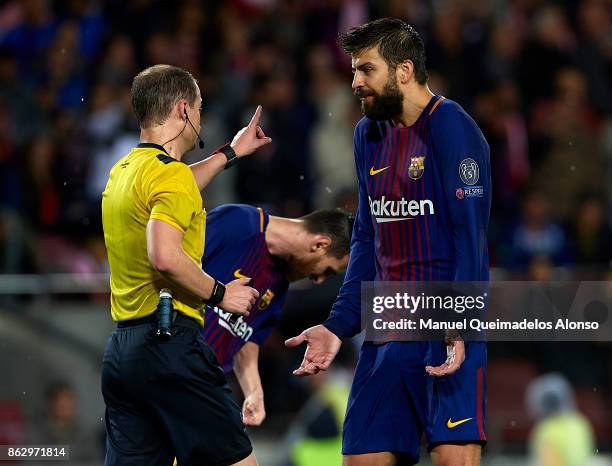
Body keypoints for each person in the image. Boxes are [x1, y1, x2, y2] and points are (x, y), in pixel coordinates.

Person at [286, 18, 491, 466]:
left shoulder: (453, 127)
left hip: (444, 327)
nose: (355, 82)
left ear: (403, 70)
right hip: (386, 333)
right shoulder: (368, 135)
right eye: (354, 71)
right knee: (361, 459)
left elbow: (469, 238)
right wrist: (338, 325)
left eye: (366, 70)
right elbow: (365, 238)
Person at [101, 64, 271, 466]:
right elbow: (164, 255)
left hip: (123, 354)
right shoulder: (170, 176)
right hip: (171, 344)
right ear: (183, 109)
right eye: (199, 107)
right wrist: (221, 293)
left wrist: (230, 152)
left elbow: (177, 187)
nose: (200, 116)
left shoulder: (123, 171)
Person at [201, 204, 352, 426]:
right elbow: (173, 263)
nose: (319, 280)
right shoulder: (240, 223)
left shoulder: (279, 285)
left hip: (205, 385)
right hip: (166, 362)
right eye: (328, 270)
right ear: (320, 244)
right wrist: (218, 293)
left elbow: (247, 337)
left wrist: (254, 391)